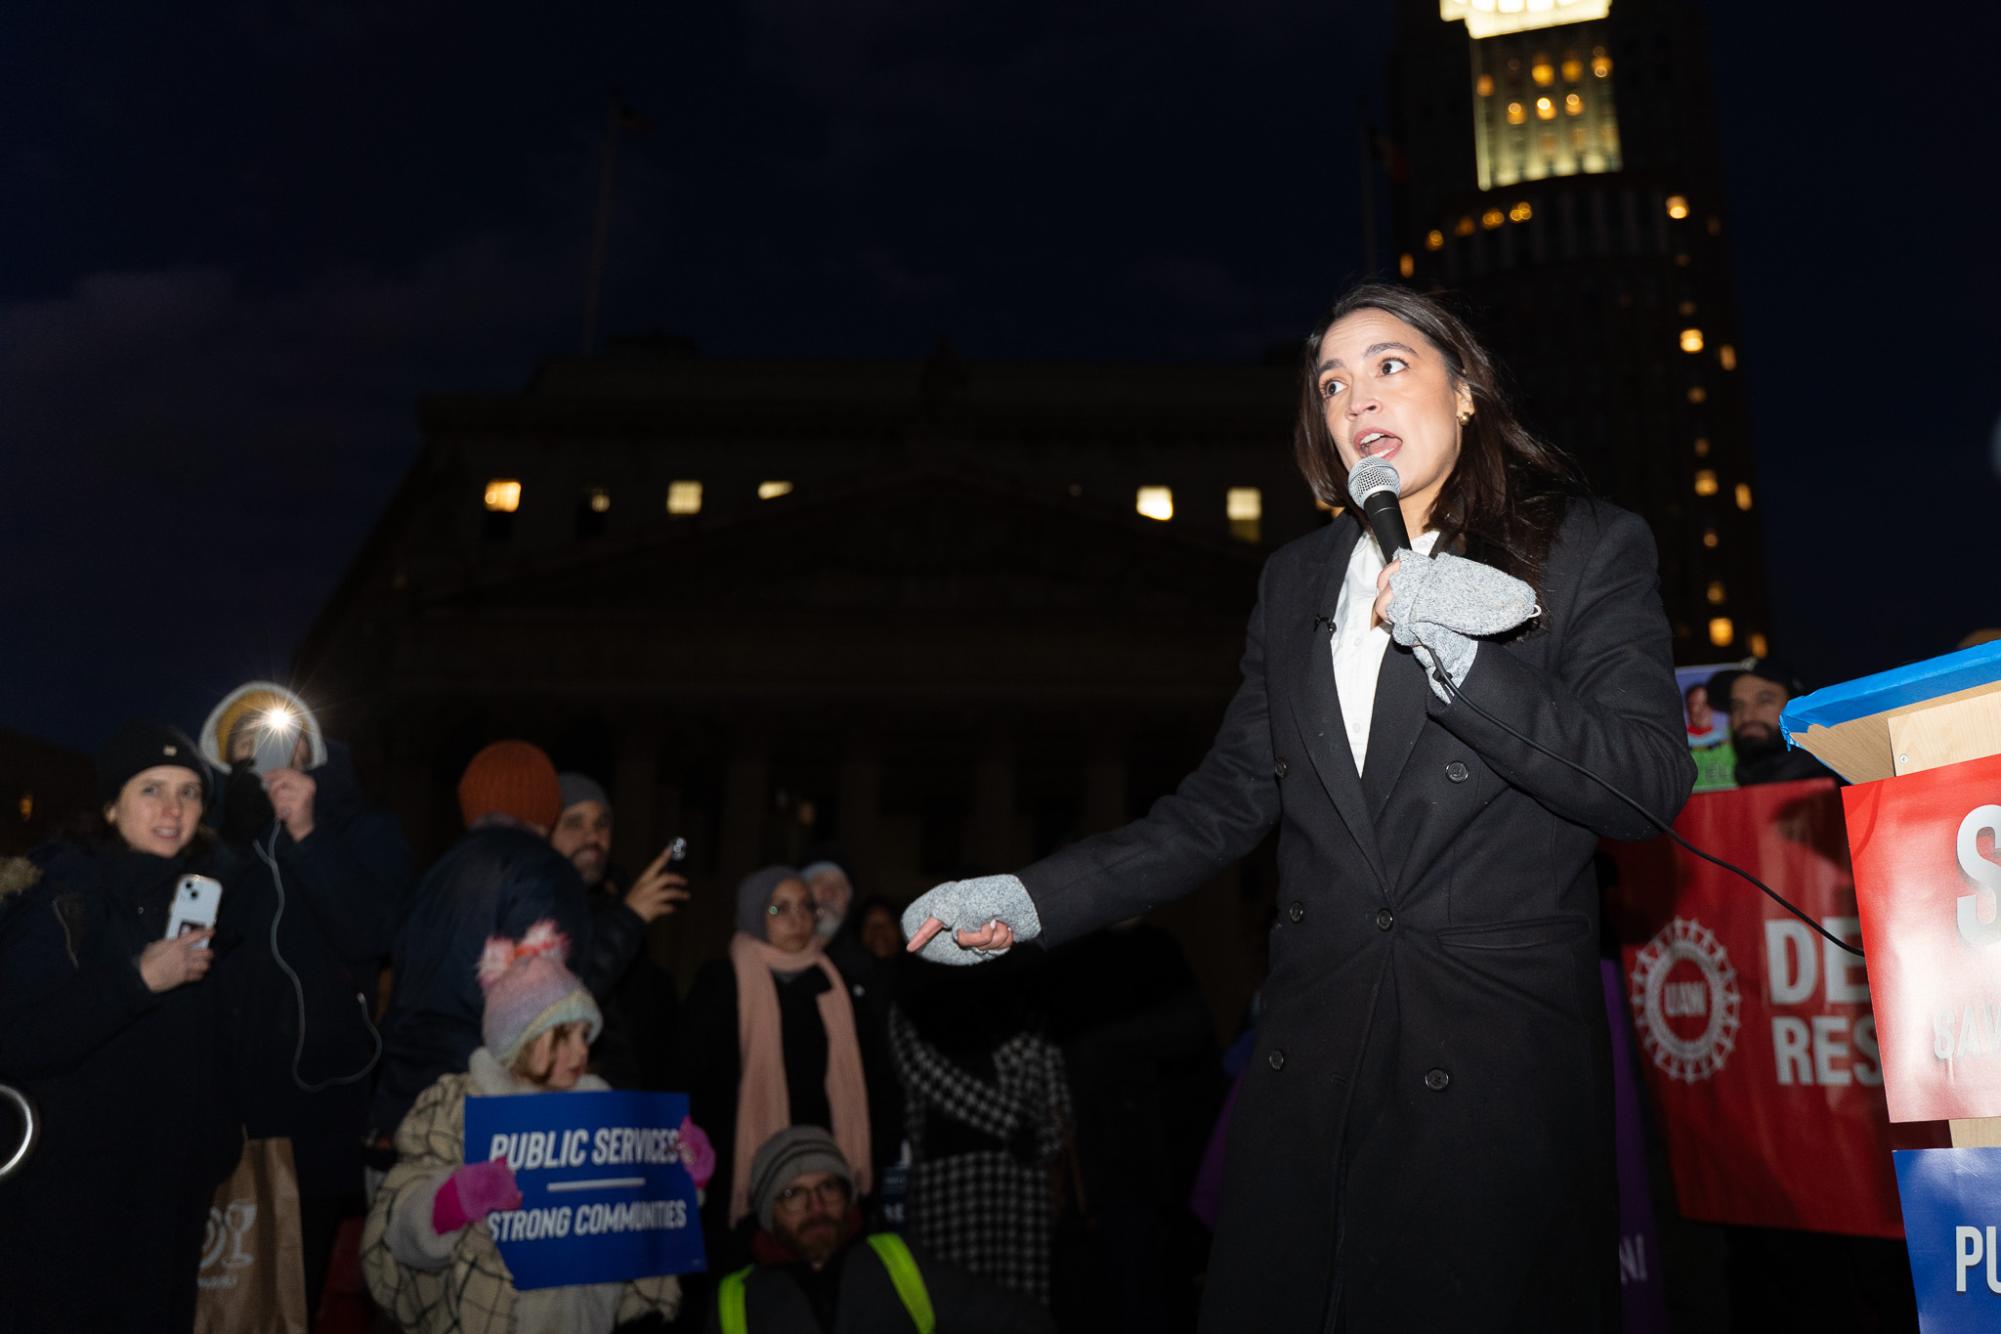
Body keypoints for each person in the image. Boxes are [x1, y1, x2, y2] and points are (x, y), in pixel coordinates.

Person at [903, 282, 1697, 1331]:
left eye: (1390, 365)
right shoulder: (1295, 584)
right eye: (1331, 383)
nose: (1356, 395)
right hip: (1315, 1065)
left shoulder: (1586, 546)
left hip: (1493, 1075)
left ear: (1466, 392)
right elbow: (1221, 804)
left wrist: (1460, 652)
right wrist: (1033, 896)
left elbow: (1644, 783)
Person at [0, 723, 247, 1332]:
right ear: (111, 806)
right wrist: (135, 983)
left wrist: (214, 1148)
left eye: (190, 793)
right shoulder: (61, 900)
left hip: (169, 1205)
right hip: (71, 1212)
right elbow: (15, 1044)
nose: (173, 809)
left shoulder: (208, 902)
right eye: (152, 790)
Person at [362, 920, 689, 1332]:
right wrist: (451, 1201)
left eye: (585, 1036)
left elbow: (643, 1229)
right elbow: (397, 1232)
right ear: (517, 1040)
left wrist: (677, 1177)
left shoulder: (605, 1117)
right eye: (563, 1036)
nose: (581, 1051)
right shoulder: (457, 1110)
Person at [199, 680, 412, 1311]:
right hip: (216, 1101)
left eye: (275, 740)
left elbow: (372, 932)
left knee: (288, 1292)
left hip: (312, 1107)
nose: (260, 756)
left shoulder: (363, 828)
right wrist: (233, 847)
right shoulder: (208, 837)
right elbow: (192, 944)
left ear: (306, 751)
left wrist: (308, 836)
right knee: (207, 1294)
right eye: (245, 746)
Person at [370, 741, 604, 1141]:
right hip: (484, 1115)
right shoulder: (545, 872)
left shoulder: (433, 875)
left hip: (406, 1104)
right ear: (545, 806)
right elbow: (550, 1010)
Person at [673, 867, 872, 1266]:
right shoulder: (722, 981)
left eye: (806, 907)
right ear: (753, 914)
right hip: (742, 1164)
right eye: (780, 908)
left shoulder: (834, 984)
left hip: (822, 1168)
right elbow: (693, 1077)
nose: (798, 920)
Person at [706, 1125, 1054, 1334]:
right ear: (769, 1213)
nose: (816, 1206)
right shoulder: (736, 1302)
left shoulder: (897, 1264)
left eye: (828, 1187)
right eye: (792, 1194)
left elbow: (1022, 1322)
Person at [888, 953, 1072, 1307]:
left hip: (1019, 1181)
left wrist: (1044, 1142)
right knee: (955, 1304)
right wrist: (1016, 1125)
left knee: (1021, 1307)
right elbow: (925, 1075)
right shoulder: (911, 1001)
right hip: (946, 1180)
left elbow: (1056, 1093)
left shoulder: (1022, 1001)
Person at [550, 771, 689, 1089]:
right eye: (575, 823)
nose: (592, 837)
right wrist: (631, 916)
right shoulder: (536, 903)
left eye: (602, 824)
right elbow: (562, 999)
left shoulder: (617, 898)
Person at [1707, 658, 1836, 786]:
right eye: (1737, 706)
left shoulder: (1835, 782)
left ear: (1796, 709)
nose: (1746, 717)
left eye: (1764, 701)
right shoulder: (1736, 786)